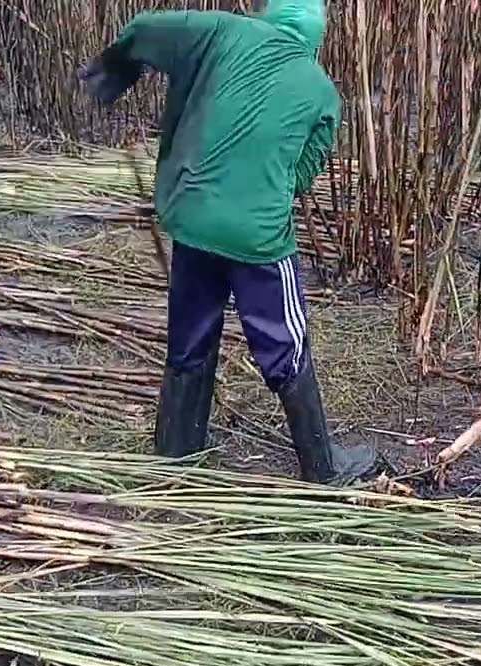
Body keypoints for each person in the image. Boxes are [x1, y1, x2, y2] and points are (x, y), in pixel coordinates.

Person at [79, 0, 378, 485]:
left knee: (192, 330)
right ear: (315, 36)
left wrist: (116, 66)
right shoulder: (323, 93)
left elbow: (152, 27)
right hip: (256, 235)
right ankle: (324, 467)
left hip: (191, 215)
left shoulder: (222, 33)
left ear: (270, 15)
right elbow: (301, 176)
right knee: (286, 342)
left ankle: (177, 449)